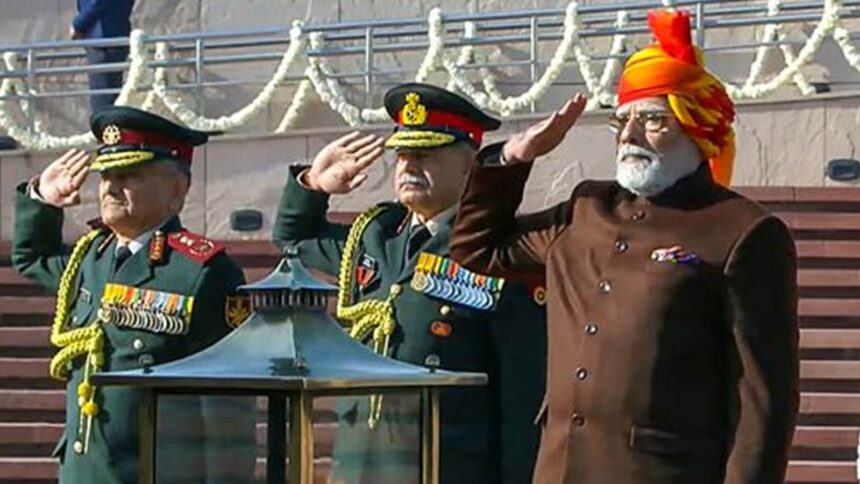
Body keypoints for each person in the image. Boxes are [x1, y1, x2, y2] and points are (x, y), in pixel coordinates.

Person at [450, 9, 798, 484]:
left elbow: (764, 400)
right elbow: (478, 248)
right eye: (622, 121)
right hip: (560, 469)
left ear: (695, 124)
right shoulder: (586, 207)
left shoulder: (743, 231)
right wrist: (514, 157)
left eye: (652, 119)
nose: (630, 135)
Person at [272, 83, 547, 484]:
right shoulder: (376, 236)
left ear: (469, 166)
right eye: (402, 154)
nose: (408, 166)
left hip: (443, 468)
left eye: (425, 154)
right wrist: (313, 184)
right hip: (358, 466)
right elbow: (294, 239)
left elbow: (522, 400)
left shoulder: (496, 252)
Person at [13, 106, 255, 483]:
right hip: (84, 471)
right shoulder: (89, 259)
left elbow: (227, 411)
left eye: (129, 175)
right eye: (105, 175)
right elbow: (31, 257)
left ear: (178, 189)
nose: (109, 186)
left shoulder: (203, 272)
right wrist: (42, 198)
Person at [71, 0, 135, 113]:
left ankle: (106, 128)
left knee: (102, 99)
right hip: (115, 35)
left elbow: (99, 3)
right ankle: (112, 127)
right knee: (112, 95)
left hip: (102, 39)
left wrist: (78, 25)